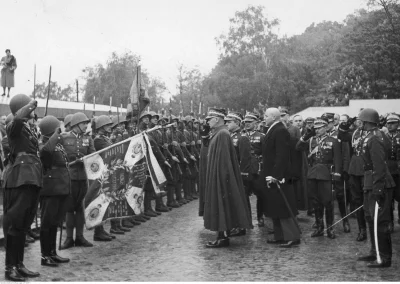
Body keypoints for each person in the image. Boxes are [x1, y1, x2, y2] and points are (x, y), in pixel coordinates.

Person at [3, 94, 41, 281]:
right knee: (15, 225)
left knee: (24, 225)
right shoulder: (13, 126)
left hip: (32, 177)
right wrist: (30, 105)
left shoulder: (28, 130)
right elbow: (18, 118)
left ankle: (19, 264)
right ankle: (10, 268)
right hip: (19, 178)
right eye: (29, 108)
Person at [203, 108, 252, 248]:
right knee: (219, 206)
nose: (207, 122)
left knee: (221, 206)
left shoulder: (222, 134)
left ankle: (223, 237)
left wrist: (220, 178)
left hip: (220, 177)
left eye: (209, 119)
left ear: (217, 119)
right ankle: (221, 235)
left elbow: (224, 160)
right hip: (217, 175)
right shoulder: (220, 133)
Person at [356, 108, 395, 268]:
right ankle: (375, 251)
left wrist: (378, 189)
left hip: (380, 183)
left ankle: (385, 257)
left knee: (381, 221)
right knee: (370, 218)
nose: (359, 123)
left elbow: (379, 166)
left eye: (361, 121)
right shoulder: (370, 136)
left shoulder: (376, 138)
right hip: (370, 182)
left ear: (366, 121)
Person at [296, 117, 342, 239]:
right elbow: (298, 147)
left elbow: (337, 159)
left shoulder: (334, 141)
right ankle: (320, 227)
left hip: (326, 174)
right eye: (315, 129)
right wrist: (306, 135)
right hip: (313, 173)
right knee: (316, 202)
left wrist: (337, 175)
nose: (317, 130)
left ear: (326, 127)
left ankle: (330, 229)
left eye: (320, 128)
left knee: (327, 202)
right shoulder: (311, 140)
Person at [262, 108, 299, 248]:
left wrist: (276, 175)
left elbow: (282, 155)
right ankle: (280, 235)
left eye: (266, 115)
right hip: (271, 174)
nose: (264, 118)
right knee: (275, 206)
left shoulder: (280, 130)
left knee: (284, 206)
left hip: (279, 176)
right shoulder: (273, 129)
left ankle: (292, 236)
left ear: (273, 117)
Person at [38, 115, 71, 267]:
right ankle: (45, 256)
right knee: (47, 223)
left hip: (61, 187)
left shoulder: (57, 144)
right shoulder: (43, 146)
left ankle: (52, 253)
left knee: (55, 223)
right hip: (50, 189)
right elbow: (45, 153)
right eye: (57, 128)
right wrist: (56, 134)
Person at [60, 112, 95, 249]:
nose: (86, 125)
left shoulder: (88, 139)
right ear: (76, 125)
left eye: (87, 123)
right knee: (70, 208)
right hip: (70, 177)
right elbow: (60, 155)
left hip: (82, 177)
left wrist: (87, 159)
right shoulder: (64, 138)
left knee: (80, 208)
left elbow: (93, 154)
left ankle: (80, 237)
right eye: (83, 123)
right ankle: (69, 239)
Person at [224, 111, 253, 236]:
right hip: (230, 173)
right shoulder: (229, 136)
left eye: (229, 122)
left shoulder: (242, 137)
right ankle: (236, 224)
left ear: (237, 123)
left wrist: (242, 174)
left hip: (239, 175)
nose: (227, 124)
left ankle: (242, 226)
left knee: (241, 200)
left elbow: (245, 158)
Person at [91, 115, 115, 241]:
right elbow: (108, 152)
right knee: (100, 201)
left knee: (105, 201)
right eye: (107, 125)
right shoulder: (98, 140)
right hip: (101, 174)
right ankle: (98, 232)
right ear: (101, 127)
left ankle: (101, 230)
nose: (109, 127)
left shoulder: (105, 138)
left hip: (107, 172)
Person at [384, 113, 400, 231]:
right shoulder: (384, 137)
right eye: (388, 123)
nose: (390, 126)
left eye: (393, 123)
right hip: (388, 170)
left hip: (399, 170)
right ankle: (390, 222)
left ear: (398, 124)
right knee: (388, 198)